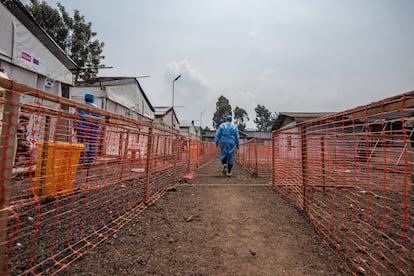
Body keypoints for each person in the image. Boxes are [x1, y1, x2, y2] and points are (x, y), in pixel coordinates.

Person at [74, 93, 101, 167]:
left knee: (83, 144)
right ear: (93, 99)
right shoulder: (96, 108)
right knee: (93, 145)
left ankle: (83, 162)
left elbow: (75, 116)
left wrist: (75, 126)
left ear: (85, 98)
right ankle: (90, 161)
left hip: (82, 128)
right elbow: (99, 120)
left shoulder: (80, 106)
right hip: (93, 130)